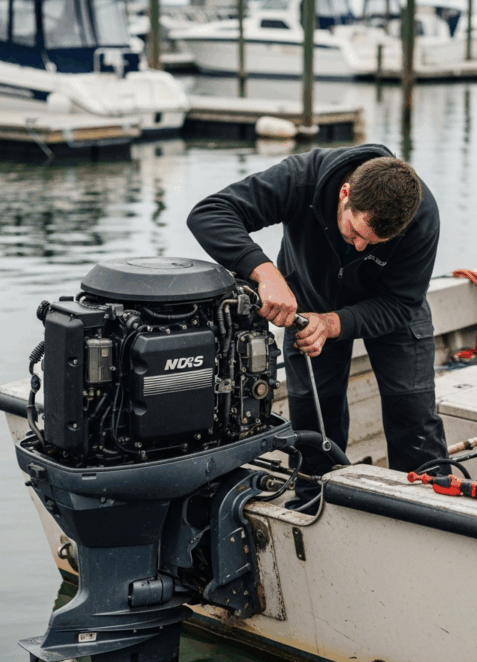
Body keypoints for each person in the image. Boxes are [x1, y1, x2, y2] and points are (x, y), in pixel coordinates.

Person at [187, 143, 447, 506]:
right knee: (314, 421)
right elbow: (210, 213)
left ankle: (430, 507)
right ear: (345, 193)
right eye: (355, 232)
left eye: (373, 243)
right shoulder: (301, 178)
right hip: (309, 301)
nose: (359, 248)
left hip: (391, 309)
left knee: (414, 417)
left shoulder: (421, 215)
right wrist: (266, 274)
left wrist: (336, 322)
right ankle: (314, 504)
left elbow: (401, 302)